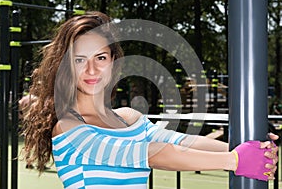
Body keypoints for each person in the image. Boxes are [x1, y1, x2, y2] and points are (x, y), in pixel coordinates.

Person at [21, 11, 278, 189]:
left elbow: (183, 142)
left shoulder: (130, 118)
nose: (91, 70)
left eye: (100, 58)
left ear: (113, 61)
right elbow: (148, 154)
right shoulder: (69, 127)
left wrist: (254, 147)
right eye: (80, 60)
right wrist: (234, 160)